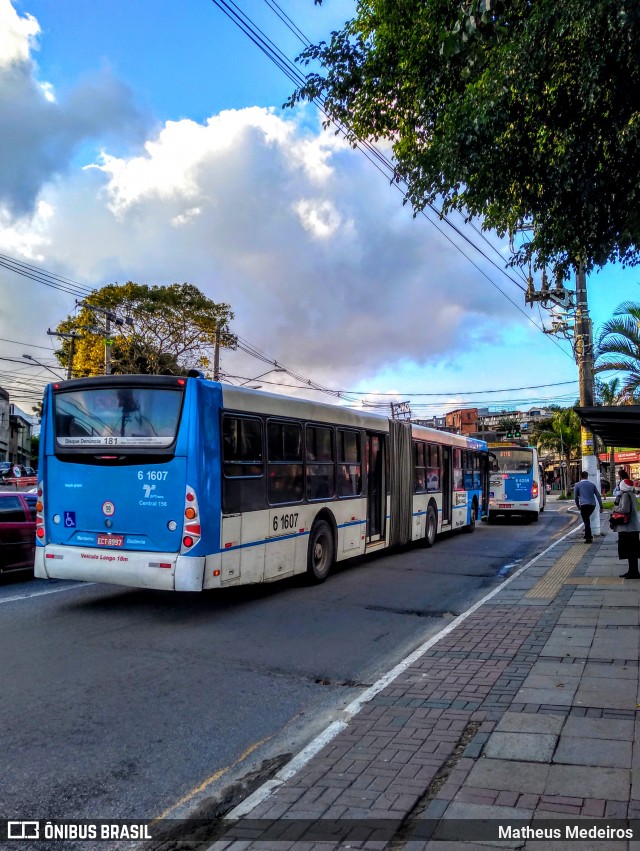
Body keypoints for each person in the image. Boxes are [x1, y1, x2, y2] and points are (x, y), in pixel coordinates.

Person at [616, 479, 640, 578]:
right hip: (633, 527)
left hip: (628, 528)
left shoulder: (625, 495)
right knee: (633, 551)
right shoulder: (632, 494)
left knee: (630, 550)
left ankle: (633, 572)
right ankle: (632, 571)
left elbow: (625, 510)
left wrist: (615, 509)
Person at [573, 471, 603, 544]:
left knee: (586, 521)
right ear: (587, 476)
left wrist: (578, 505)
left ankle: (588, 537)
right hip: (592, 505)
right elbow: (598, 495)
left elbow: (575, 497)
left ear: (580, 476)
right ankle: (587, 534)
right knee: (587, 519)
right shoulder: (592, 485)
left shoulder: (577, 485)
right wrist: (601, 506)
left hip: (583, 505)